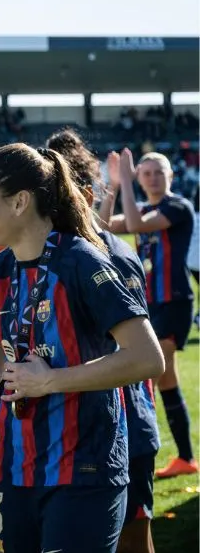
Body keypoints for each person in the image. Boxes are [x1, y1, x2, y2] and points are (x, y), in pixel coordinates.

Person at [0, 139, 165, 553]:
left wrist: (52, 381)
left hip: (85, 467)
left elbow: (147, 359)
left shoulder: (84, 262)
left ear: (20, 201)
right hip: (16, 468)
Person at [47, 129, 160, 553]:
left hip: (121, 423)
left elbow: (136, 351)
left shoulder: (105, 254)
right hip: (74, 427)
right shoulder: (46, 256)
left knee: (129, 538)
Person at [101, 149, 198, 479]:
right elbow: (100, 226)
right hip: (149, 306)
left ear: (171, 176)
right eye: (146, 173)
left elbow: (136, 224)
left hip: (173, 303)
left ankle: (133, 456)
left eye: (159, 171)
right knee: (167, 380)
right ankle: (185, 458)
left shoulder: (177, 206)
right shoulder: (141, 206)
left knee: (146, 378)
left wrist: (127, 184)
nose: (153, 178)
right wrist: (113, 186)